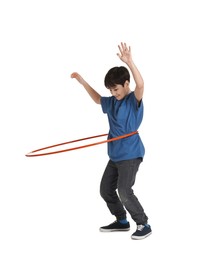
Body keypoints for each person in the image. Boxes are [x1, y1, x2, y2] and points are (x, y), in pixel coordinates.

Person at [71, 42, 152, 240]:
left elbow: (141, 85)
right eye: (110, 90)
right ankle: (121, 221)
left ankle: (143, 223)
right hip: (115, 155)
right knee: (105, 190)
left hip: (131, 154)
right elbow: (98, 99)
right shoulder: (111, 102)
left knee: (124, 190)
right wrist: (82, 82)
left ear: (126, 84)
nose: (113, 94)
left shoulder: (133, 100)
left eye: (116, 89)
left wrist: (130, 63)